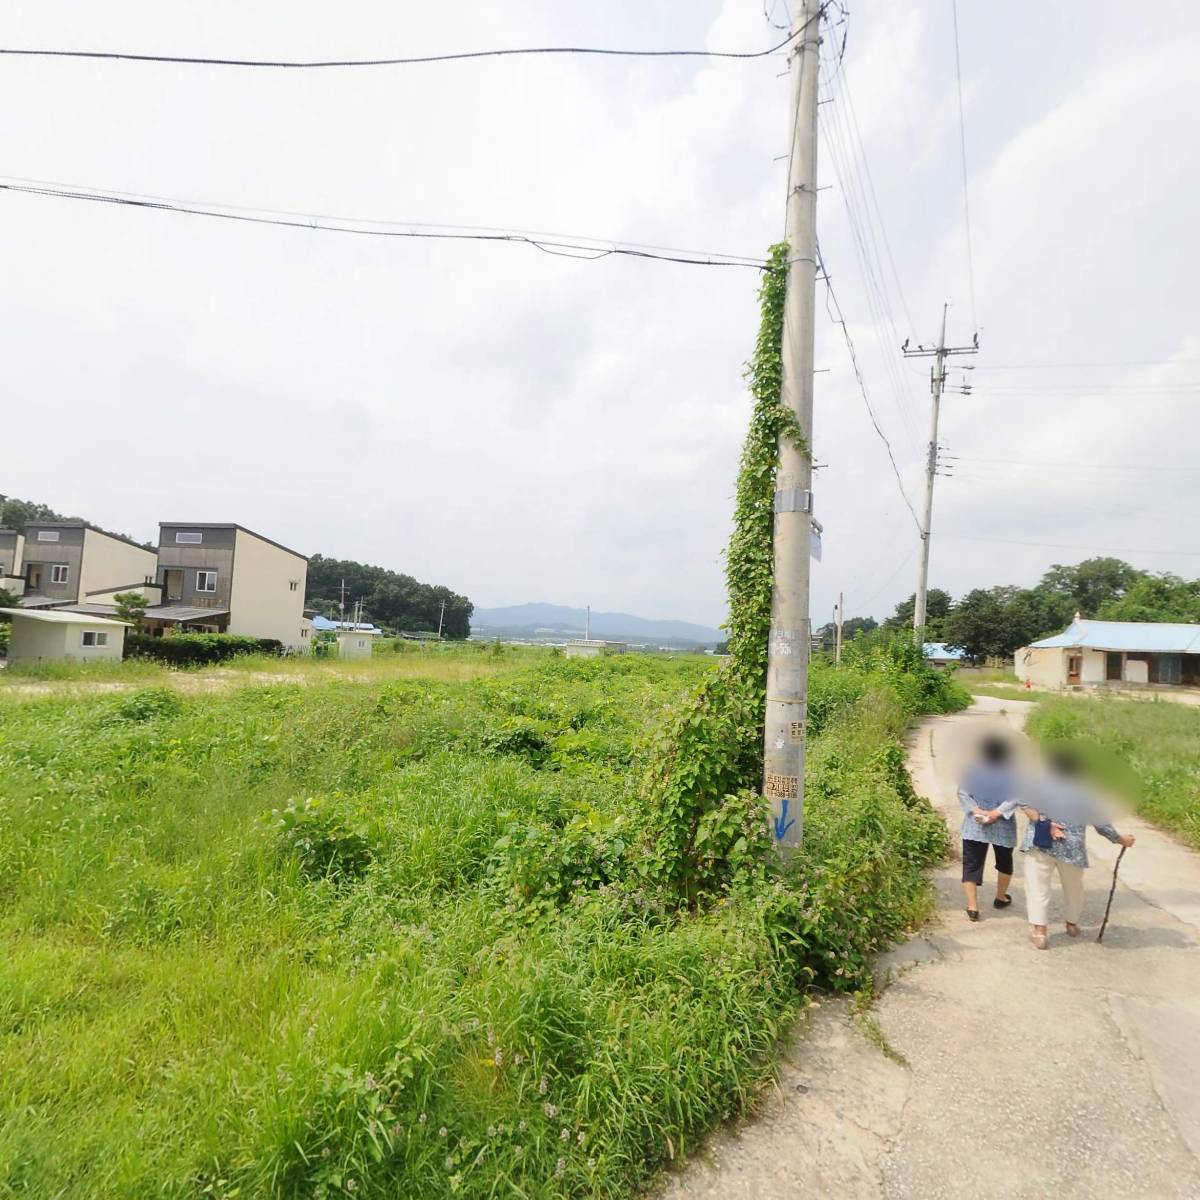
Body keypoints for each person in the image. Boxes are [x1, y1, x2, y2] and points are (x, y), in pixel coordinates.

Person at [1017, 747, 1135, 950]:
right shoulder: (1085, 791)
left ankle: (1040, 932)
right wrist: (1119, 839)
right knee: (1074, 889)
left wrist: (1044, 821)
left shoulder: (1038, 785)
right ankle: (1071, 923)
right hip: (1071, 849)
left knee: (1037, 888)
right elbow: (1101, 823)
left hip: (1040, 843)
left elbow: (1023, 803)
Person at [957, 734, 1019, 922]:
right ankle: (1000, 897)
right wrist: (996, 813)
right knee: (1004, 862)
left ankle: (973, 907)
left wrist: (976, 810)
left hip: (975, 824)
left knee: (971, 864)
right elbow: (1016, 797)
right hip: (1003, 825)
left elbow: (962, 793)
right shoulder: (1012, 773)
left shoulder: (972, 770)